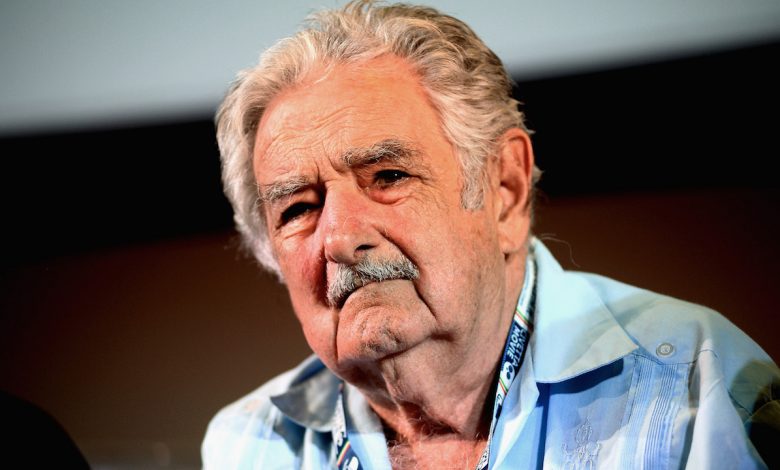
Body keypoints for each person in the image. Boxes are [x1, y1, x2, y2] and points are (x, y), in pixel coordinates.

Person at [202, 1, 779, 468]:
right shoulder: (248, 446)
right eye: (298, 209)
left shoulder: (701, 391)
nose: (339, 237)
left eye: (388, 176)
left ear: (505, 188)